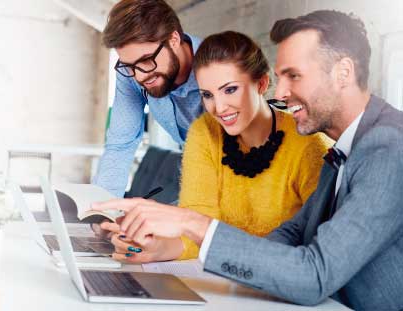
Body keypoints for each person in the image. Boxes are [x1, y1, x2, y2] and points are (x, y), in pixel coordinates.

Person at [93, 10, 403, 310]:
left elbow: (314, 274)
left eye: (294, 76)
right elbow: (294, 233)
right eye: (280, 77)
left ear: (343, 73)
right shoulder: (347, 145)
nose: (280, 92)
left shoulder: (386, 146)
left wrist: (192, 223)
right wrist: (170, 243)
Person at [96, 31, 333, 263]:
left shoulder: (308, 144)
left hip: (280, 285)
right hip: (223, 279)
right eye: (207, 95)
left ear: (261, 84)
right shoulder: (204, 132)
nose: (219, 108)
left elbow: (313, 251)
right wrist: (157, 249)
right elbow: (196, 226)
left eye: (230, 90)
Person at [93, 0, 204, 198]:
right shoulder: (131, 72)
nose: (139, 76)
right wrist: (104, 209)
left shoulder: (218, 70)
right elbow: (121, 143)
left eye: (146, 60)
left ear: (174, 39)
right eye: (129, 65)